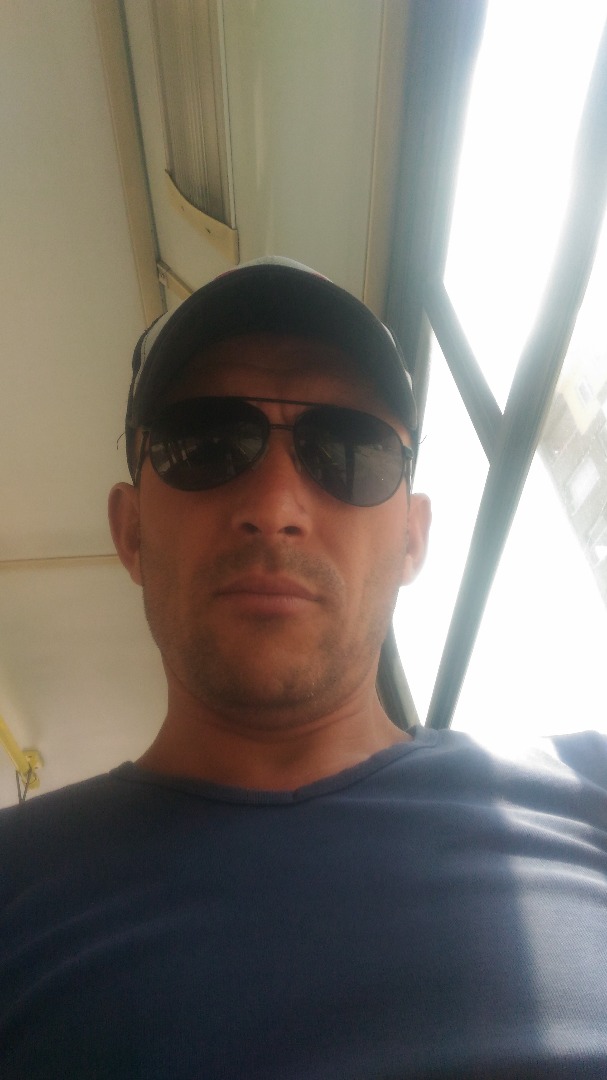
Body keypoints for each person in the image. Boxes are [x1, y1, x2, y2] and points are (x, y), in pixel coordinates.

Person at [1, 257, 606, 1079]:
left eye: (348, 450)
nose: (275, 507)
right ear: (131, 529)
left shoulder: (588, 793)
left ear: (412, 540)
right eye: (207, 444)